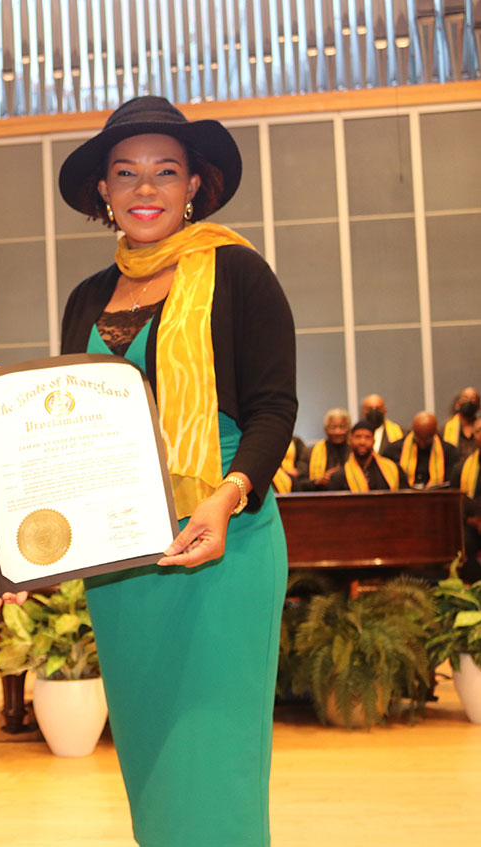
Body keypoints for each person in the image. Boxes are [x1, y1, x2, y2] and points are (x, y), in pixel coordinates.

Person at [55, 96, 297, 846]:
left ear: (196, 183)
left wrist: (227, 497)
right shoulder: (86, 299)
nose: (145, 188)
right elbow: (69, 422)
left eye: (166, 170)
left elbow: (273, 406)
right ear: (103, 191)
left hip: (226, 531)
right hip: (123, 550)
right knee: (154, 754)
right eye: (125, 173)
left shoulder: (240, 273)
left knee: (215, 752)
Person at [383, 411, 459, 488]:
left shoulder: (449, 452)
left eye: (426, 440)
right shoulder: (393, 450)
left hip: (438, 498)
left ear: (434, 433)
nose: (422, 444)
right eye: (419, 439)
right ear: (413, 431)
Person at [329, 421, 408, 491]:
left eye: (367, 437)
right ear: (350, 441)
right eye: (358, 437)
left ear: (373, 441)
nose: (362, 442)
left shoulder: (393, 469)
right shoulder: (339, 476)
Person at [450, 417, 481, 583]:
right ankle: (474, 588)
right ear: (474, 436)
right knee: (464, 541)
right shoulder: (461, 467)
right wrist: (472, 521)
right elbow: (454, 503)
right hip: (471, 523)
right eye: (479, 431)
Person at [299, 408, 351, 490]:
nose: (338, 432)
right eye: (333, 427)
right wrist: (317, 481)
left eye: (342, 427)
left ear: (349, 429)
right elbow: (299, 482)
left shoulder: (355, 452)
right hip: (318, 498)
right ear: (325, 429)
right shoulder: (309, 452)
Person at [443, 386, 480, 459]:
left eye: (473, 399)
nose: (469, 401)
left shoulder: (479, 429)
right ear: (457, 405)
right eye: (465, 398)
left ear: (478, 407)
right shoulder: (444, 429)